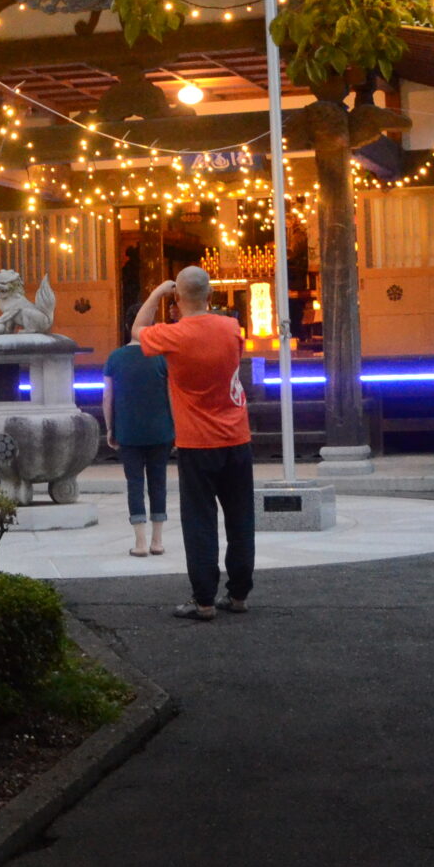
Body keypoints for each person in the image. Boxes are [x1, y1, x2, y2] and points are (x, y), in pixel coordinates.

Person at [131, 265, 254, 620]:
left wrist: (156, 293)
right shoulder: (231, 328)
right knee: (240, 518)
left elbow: (137, 331)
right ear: (211, 295)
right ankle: (240, 595)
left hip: (197, 442)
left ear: (177, 298)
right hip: (236, 436)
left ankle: (203, 600)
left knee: (200, 522)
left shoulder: (174, 335)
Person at [101, 337, 171, 556]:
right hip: (160, 430)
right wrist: (176, 425)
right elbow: (172, 394)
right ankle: (157, 541)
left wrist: (110, 428)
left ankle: (140, 543)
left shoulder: (115, 357)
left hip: (128, 430)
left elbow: (107, 395)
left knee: (134, 483)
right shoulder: (161, 357)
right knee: (158, 482)